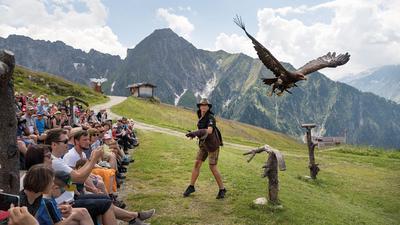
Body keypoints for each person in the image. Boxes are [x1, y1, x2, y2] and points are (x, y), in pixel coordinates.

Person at [183, 98, 226, 199]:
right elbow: (201, 131)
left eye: (206, 105)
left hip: (212, 146)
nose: (204, 106)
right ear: (199, 106)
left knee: (212, 167)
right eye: (202, 105)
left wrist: (196, 132)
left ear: (208, 107)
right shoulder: (200, 116)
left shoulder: (211, 118)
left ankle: (222, 189)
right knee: (197, 164)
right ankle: (191, 186)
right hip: (203, 144)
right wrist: (194, 134)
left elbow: (209, 131)